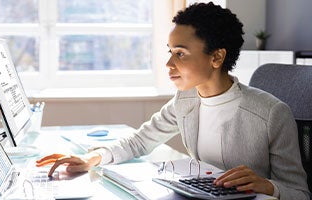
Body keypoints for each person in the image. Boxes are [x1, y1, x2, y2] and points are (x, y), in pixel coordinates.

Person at [36, 2, 311, 199]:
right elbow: (140, 141)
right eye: (170, 51)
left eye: (180, 53)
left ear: (216, 57)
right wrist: (92, 158)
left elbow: (299, 193)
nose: (168, 63)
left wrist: (266, 186)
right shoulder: (186, 99)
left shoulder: (272, 113)